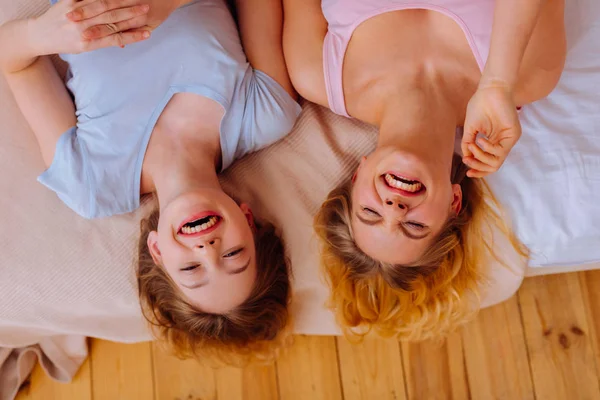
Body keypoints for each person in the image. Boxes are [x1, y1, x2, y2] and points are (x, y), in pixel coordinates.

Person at [0, 0, 300, 362]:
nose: (208, 250)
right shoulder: (266, 112)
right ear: (248, 221)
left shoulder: (92, 184)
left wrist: (41, 34)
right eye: (233, 254)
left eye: (191, 269)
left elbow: (14, 59)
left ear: (157, 252)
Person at [282, 0, 566, 339]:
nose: (394, 209)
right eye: (414, 225)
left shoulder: (315, 73)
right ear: (453, 204)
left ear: (357, 177)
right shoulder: (530, 76)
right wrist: (498, 82)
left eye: (371, 213)